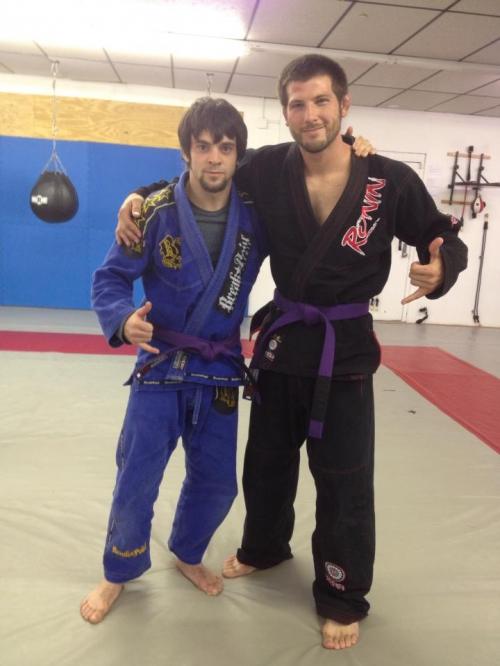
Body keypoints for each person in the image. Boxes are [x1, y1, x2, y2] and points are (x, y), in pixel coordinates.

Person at [115, 55, 467, 650]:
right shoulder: (268, 168)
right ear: (285, 112)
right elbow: (204, 176)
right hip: (282, 344)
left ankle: (342, 593)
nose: (311, 114)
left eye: (322, 101)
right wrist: (138, 195)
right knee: (266, 463)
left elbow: (439, 232)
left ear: (344, 105)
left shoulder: (386, 179)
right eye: (298, 104)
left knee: (345, 479)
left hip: (344, 350)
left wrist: (443, 266)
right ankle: (264, 547)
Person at [80, 97, 268, 624]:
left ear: (238, 154)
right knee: (137, 474)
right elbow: (110, 279)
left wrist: (354, 147)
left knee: (218, 481)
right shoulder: (155, 211)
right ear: (186, 152)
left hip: (220, 368)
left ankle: (187, 552)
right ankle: (118, 569)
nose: (214, 158)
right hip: (161, 363)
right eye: (203, 147)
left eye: (225, 148)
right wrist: (123, 320)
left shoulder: (255, 217)